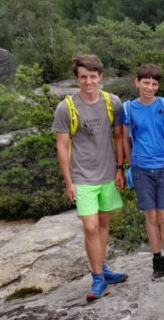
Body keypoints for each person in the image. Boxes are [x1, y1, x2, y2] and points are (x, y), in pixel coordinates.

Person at [52, 53, 128, 301]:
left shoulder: (112, 102)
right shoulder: (67, 108)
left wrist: (119, 168)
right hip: (82, 176)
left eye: (92, 76)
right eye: (83, 77)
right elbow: (62, 146)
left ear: (100, 77)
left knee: (104, 223)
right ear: (76, 78)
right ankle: (97, 279)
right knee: (90, 226)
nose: (88, 82)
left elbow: (118, 137)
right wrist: (68, 181)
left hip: (107, 174)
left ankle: (102, 268)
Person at [122, 63, 164, 279]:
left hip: (163, 166)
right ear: (137, 82)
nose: (149, 87)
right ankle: (157, 261)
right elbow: (125, 139)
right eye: (146, 82)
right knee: (151, 216)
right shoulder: (128, 109)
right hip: (141, 168)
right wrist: (128, 164)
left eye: (154, 83)